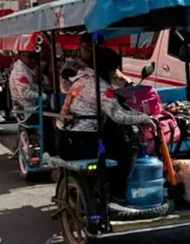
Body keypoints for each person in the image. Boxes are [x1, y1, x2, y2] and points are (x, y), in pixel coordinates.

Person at [57, 49, 154, 201]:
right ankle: (117, 196)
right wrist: (145, 118)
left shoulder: (82, 79)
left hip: (65, 138)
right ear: (107, 69)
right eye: (115, 69)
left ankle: (106, 190)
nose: (117, 73)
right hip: (83, 143)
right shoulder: (100, 87)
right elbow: (119, 115)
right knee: (129, 148)